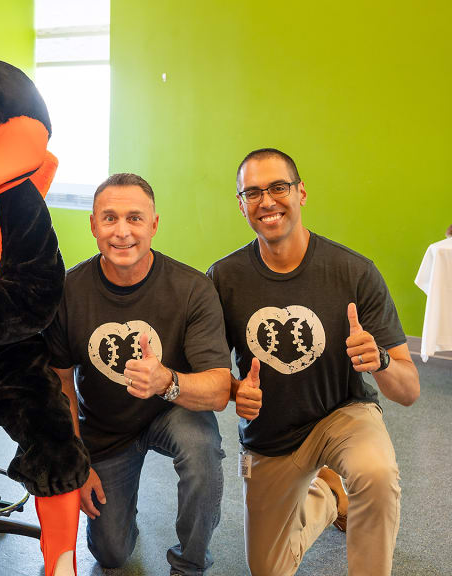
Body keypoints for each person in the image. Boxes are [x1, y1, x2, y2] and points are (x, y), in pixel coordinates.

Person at [207, 148, 420, 576]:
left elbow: (410, 390)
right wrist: (235, 391)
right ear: (241, 204)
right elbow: (211, 374)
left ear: (301, 193)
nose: (266, 201)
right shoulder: (223, 278)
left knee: (376, 474)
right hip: (271, 432)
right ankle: (326, 492)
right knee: (268, 568)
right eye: (252, 192)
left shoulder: (353, 272)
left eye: (279, 187)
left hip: (342, 413)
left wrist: (378, 360)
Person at [45, 173, 231, 576]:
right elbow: (60, 382)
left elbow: (218, 391)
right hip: (105, 425)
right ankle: (124, 513)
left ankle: (190, 565)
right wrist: (77, 460)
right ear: (93, 224)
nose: (122, 232)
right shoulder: (69, 292)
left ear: (154, 224)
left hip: (172, 410)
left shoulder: (192, 289)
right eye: (109, 218)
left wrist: (166, 381)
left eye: (135, 218)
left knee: (202, 451)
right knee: (111, 554)